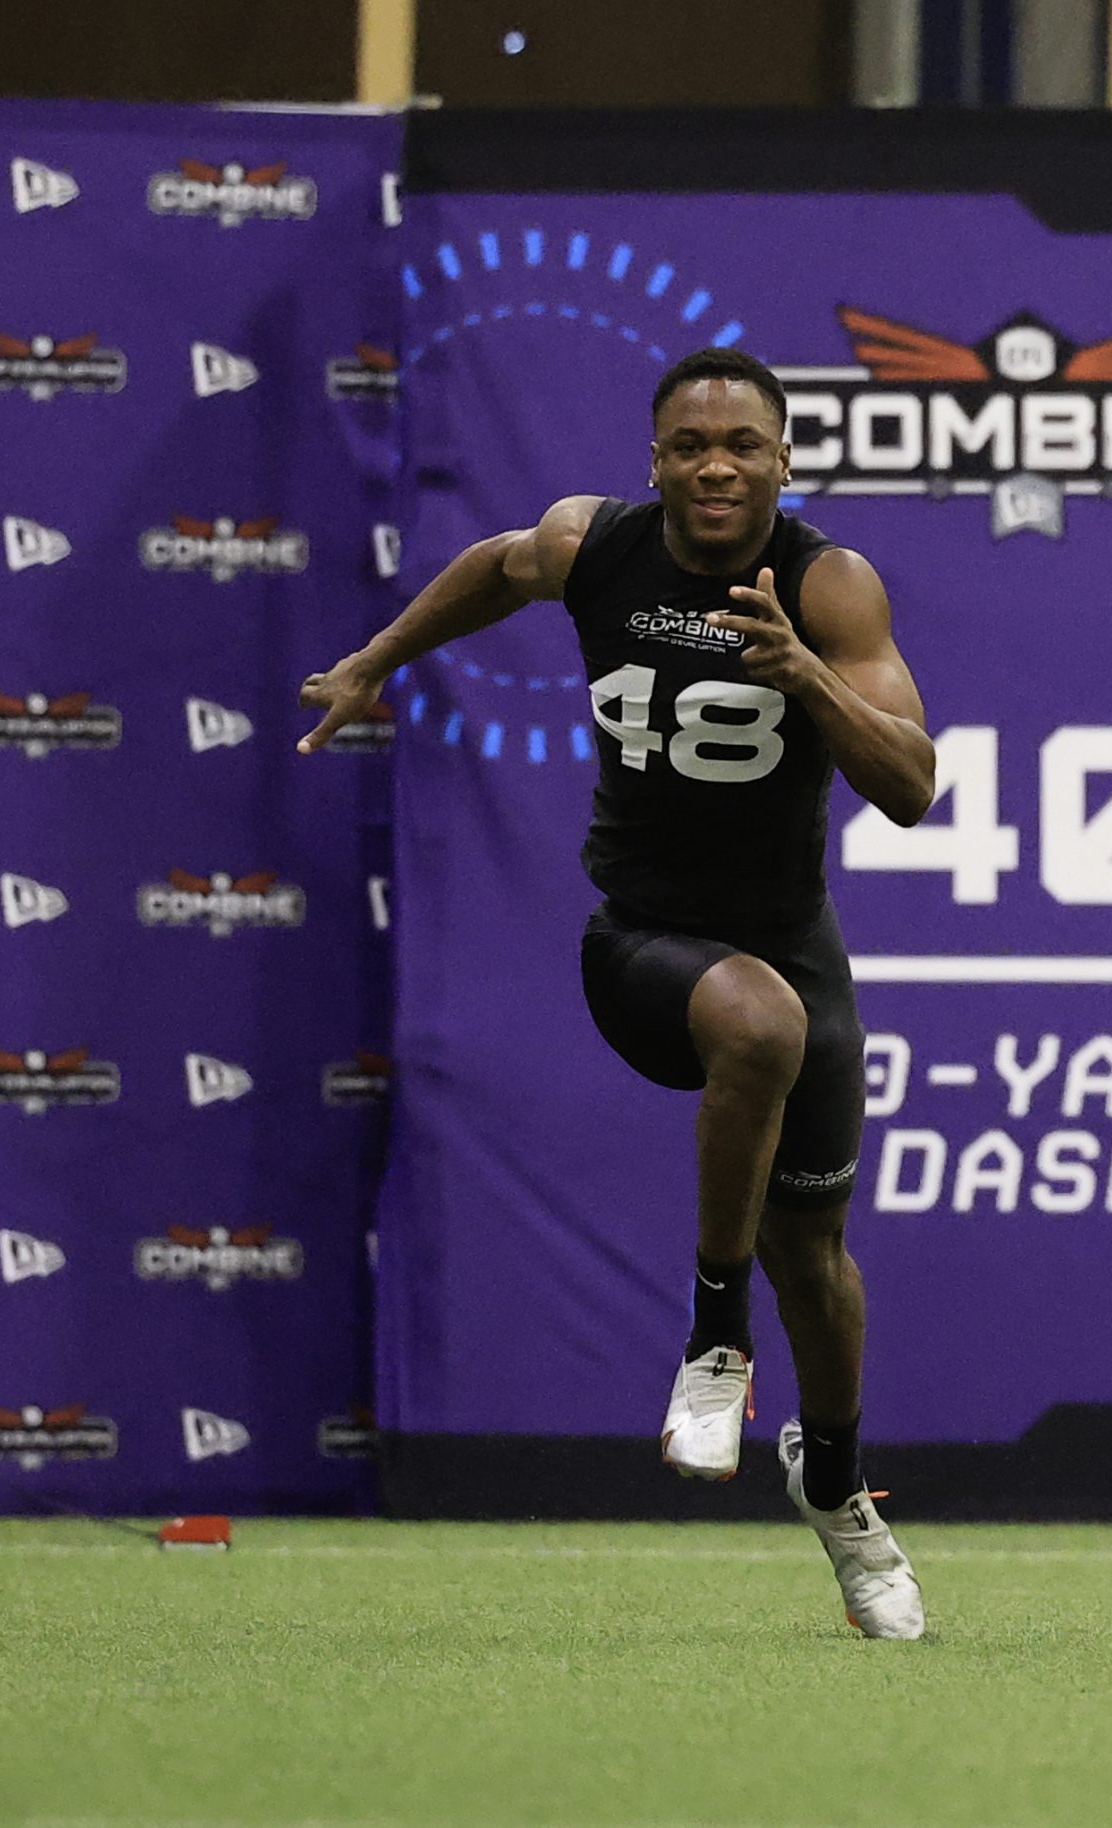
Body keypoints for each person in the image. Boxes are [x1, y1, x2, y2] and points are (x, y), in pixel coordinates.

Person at [300, 348, 935, 1639]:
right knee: (754, 1021)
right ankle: (712, 1342)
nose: (716, 463)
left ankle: (835, 1487)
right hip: (643, 945)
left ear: (784, 459)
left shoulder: (828, 585)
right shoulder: (596, 546)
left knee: (815, 1257)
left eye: (742, 443)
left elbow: (915, 788)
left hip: (791, 940)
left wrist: (805, 675)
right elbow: (497, 567)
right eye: (691, 442)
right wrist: (378, 658)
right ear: (654, 458)